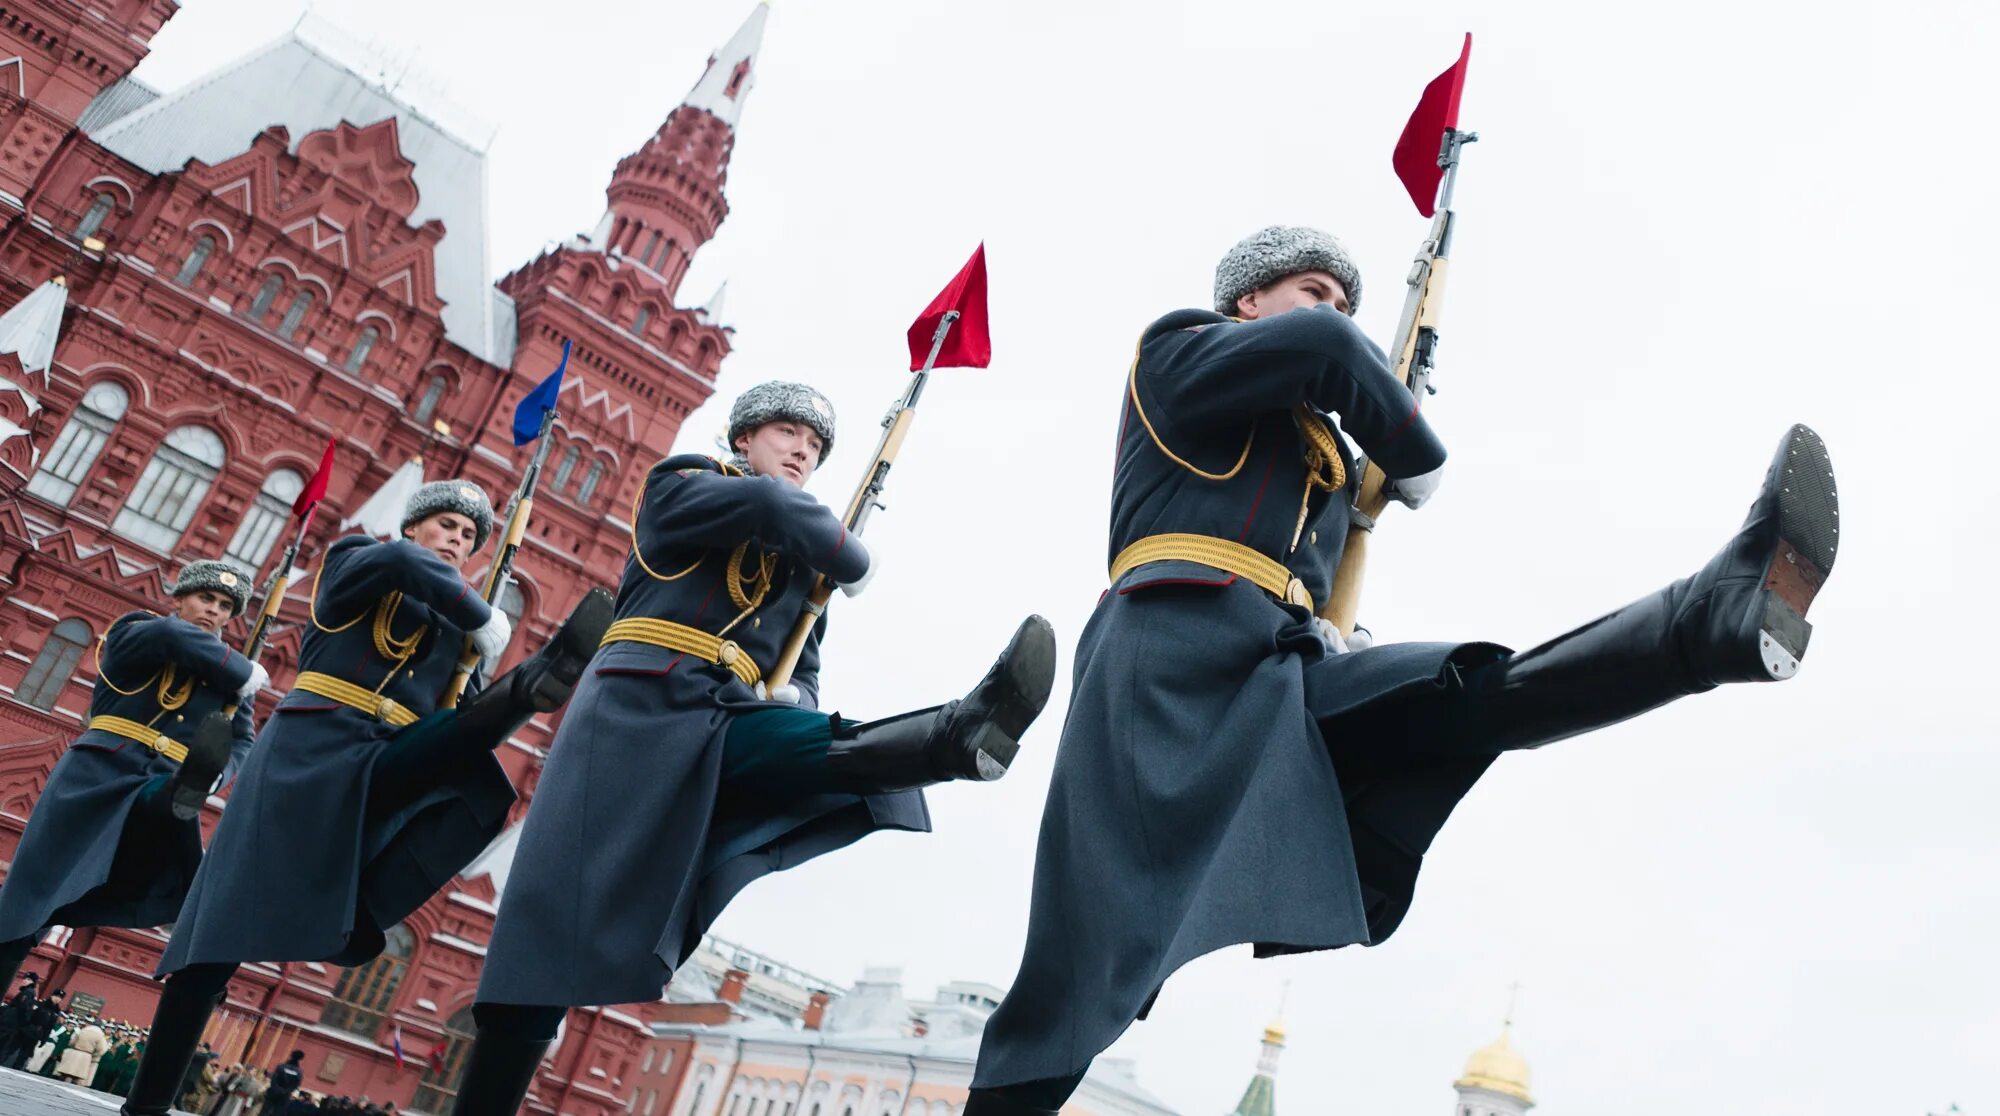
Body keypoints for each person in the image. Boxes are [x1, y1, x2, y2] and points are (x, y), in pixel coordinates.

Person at [961, 226, 1842, 1113]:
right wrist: (1414, 448)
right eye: (1313, 289)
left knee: (1464, 693)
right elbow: (1327, 349)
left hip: (1280, 669)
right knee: (1080, 972)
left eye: (1346, 299)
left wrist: (1350, 547)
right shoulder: (1178, 354)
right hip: (1164, 665)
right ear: (1248, 301)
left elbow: (1312, 529)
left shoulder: (1325, 457)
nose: (1334, 310)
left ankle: (1714, 621)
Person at [451, 382, 1058, 1111]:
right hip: (638, 713)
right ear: (743, 439)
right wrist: (850, 557)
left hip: (726, 717)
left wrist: (793, 693)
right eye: (787, 433)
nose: (803, 450)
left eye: (815, 445)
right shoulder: (682, 484)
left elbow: (805, 670)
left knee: (815, 739)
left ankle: (957, 736)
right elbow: (769, 507)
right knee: (546, 942)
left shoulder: (806, 573)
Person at [117, 481, 615, 1116]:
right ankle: (148, 1103)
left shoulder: (457, 639)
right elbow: (405, 565)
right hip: (311, 751)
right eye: (445, 526)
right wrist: (479, 612)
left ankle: (536, 683)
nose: (457, 540)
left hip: (386, 759)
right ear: (413, 527)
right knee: (214, 942)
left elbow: (457, 712)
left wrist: (479, 660)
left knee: (473, 767)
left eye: (468, 537)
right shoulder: (358, 560)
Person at [0, 561, 263, 996]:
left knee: (174, 827)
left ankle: (187, 806)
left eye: (224, 606)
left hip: (164, 784)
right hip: (98, 777)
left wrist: (214, 778)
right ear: (178, 599)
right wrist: (243, 672)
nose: (213, 610)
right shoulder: (138, 630)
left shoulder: (233, 683)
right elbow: (170, 636)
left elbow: (242, 741)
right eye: (205, 598)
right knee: (27, 908)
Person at [54, 1015, 109, 1084]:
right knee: (77, 1078)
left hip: (75, 1052)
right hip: (86, 1056)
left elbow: (72, 1042)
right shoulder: (100, 1035)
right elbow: (102, 1050)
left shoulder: (83, 1030)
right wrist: (93, 1055)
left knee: (67, 1073)